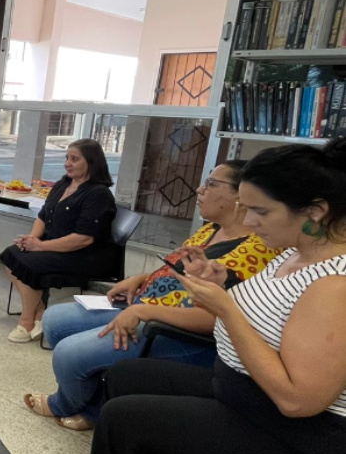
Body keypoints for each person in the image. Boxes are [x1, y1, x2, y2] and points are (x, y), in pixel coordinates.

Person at [90, 138, 346, 454]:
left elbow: (298, 401)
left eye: (260, 211)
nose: (250, 221)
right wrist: (223, 285)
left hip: (306, 437)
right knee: (126, 375)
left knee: (122, 422)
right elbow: (275, 317)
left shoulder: (334, 285)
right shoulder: (299, 248)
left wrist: (226, 310)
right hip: (243, 390)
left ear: (316, 211)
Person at [23, 160, 279, 431]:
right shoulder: (211, 229)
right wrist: (140, 279)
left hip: (175, 331)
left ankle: (70, 405)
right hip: (144, 306)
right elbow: (177, 271)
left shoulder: (257, 252)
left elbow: (219, 318)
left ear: (241, 195)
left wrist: (145, 312)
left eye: (212, 184)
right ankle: (94, 402)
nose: (200, 189)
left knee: (69, 354)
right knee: (55, 320)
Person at [1, 139, 117, 343]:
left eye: (74, 159)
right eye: (66, 158)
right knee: (12, 254)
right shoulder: (63, 183)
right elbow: (43, 216)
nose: (67, 163)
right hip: (53, 246)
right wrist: (32, 239)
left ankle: (26, 320)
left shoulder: (98, 193)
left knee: (27, 263)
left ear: (91, 162)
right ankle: (40, 313)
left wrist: (40, 246)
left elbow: (83, 239)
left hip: (84, 255)